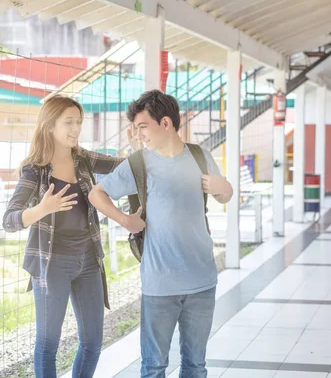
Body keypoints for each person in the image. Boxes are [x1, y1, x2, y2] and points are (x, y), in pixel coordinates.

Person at [88, 90, 233, 378]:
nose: (138, 134)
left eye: (143, 126)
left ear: (165, 123)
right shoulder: (138, 164)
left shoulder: (200, 156)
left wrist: (224, 186)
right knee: (153, 367)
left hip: (202, 281)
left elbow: (224, 196)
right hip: (159, 284)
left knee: (195, 366)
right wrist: (125, 221)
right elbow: (97, 193)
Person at [2, 95, 139, 378]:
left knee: (92, 342)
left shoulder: (84, 158)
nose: (76, 128)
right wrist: (42, 208)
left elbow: (123, 166)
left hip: (89, 261)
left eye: (79, 122)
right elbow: (9, 220)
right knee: (47, 343)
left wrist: (138, 145)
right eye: (69, 122)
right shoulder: (35, 170)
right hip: (52, 265)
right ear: (50, 125)